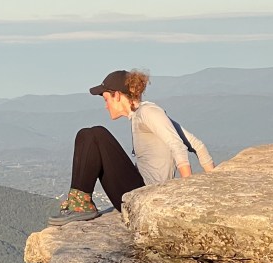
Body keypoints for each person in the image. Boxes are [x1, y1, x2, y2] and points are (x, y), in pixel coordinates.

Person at [48, 69, 214, 226]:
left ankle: (80, 206)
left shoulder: (149, 112)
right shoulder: (139, 116)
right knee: (86, 135)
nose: (106, 106)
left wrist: (187, 190)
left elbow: (177, 145)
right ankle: (78, 204)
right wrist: (215, 181)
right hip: (139, 194)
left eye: (106, 99)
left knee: (94, 135)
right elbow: (197, 145)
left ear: (117, 95)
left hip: (146, 197)